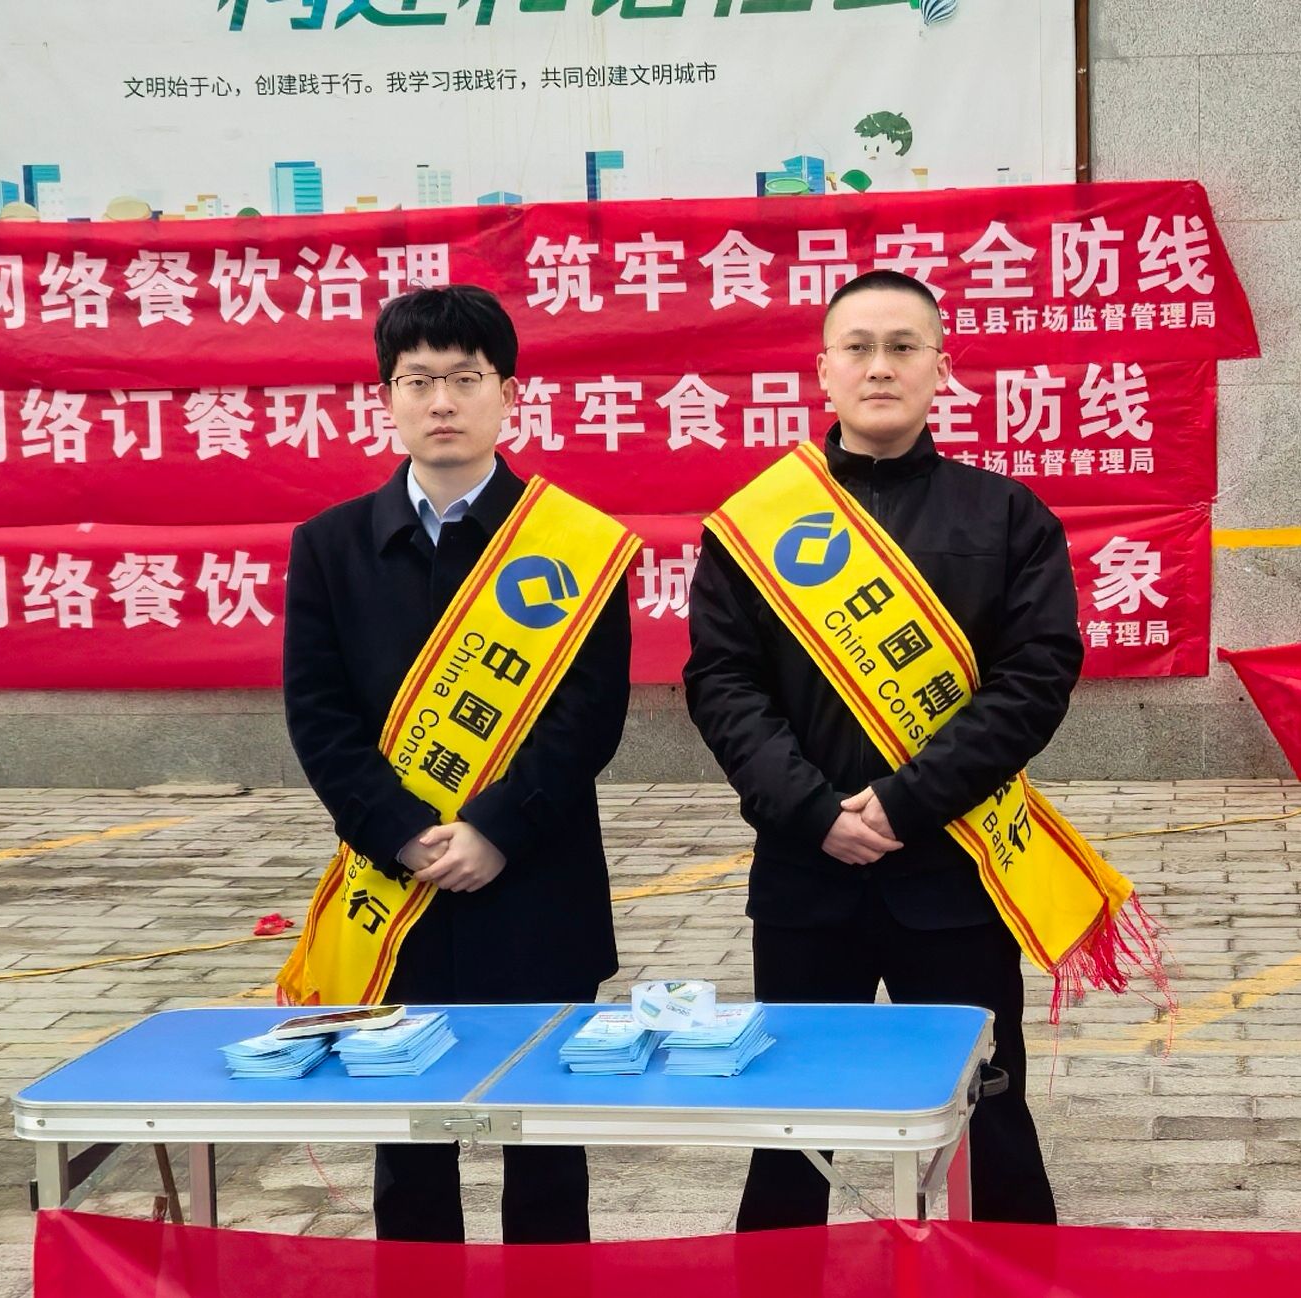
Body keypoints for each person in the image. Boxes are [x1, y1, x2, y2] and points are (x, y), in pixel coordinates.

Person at [683, 268, 1070, 1230]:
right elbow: (722, 683)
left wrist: (905, 803)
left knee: (989, 1110)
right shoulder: (755, 524)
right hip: (805, 876)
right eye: (857, 347)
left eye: (904, 347)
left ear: (943, 367)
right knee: (789, 1126)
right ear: (823, 371)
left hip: (956, 870)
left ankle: (1014, 1279)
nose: (881, 366)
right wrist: (814, 812)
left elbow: (1033, 680)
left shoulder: (1005, 516)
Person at [280, 284, 633, 1244]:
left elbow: (588, 719)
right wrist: (402, 834)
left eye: (466, 378)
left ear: (508, 394)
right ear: (386, 398)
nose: (442, 401)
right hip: (396, 885)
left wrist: (496, 830)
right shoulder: (331, 547)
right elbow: (319, 718)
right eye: (418, 380)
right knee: (409, 1147)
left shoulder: (577, 545)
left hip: (538, 882)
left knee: (545, 1140)